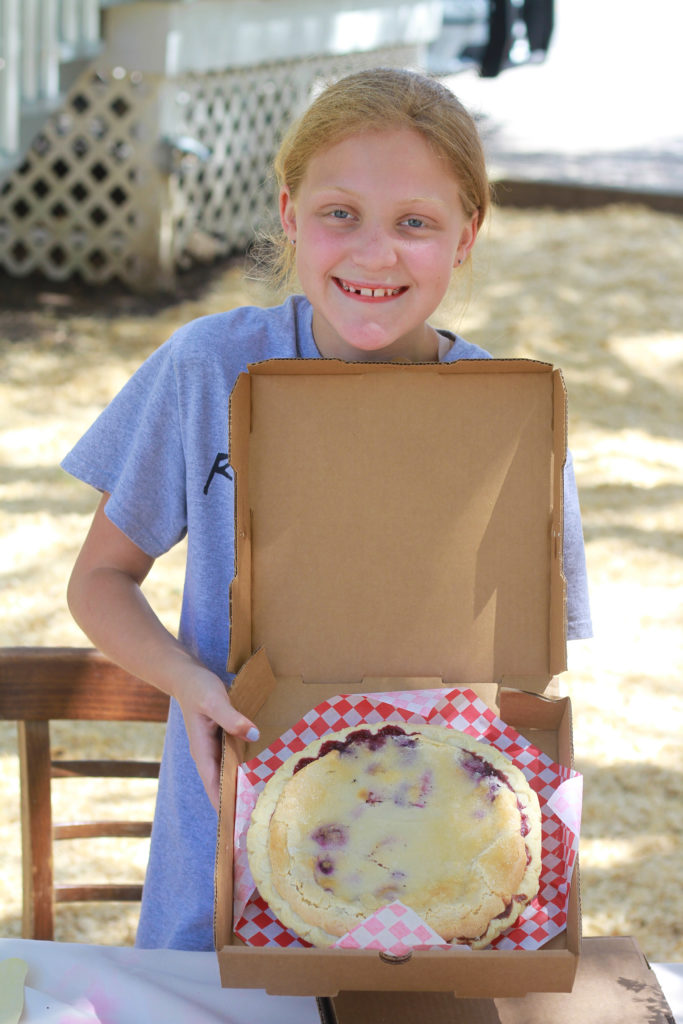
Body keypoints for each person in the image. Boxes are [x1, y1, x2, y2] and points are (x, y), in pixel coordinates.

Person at [61, 67, 592, 951]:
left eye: (414, 223)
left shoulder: (512, 418)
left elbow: (524, 671)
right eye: (339, 212)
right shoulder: (210, 370)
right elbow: (100, 581)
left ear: (466, 236)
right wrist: (191, 683)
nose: (374, 254)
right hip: (221, 855)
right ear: (287, 215)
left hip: (437, 884)